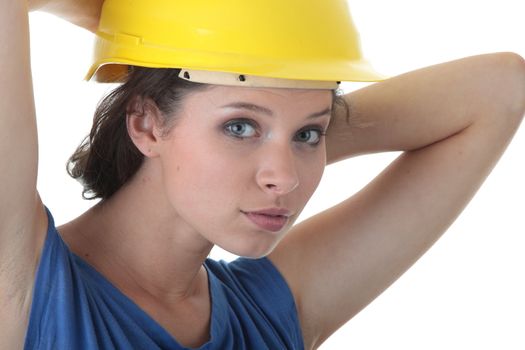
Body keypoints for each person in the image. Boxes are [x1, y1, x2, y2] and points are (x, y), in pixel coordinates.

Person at [1, 0, 524, 349]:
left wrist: (279, 141)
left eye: (308, 136)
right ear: (146, 123)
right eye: (239, 125)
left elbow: (502, 87)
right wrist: (140, 16)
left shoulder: (269, 316)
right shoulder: (25, 285)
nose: (287, 180)